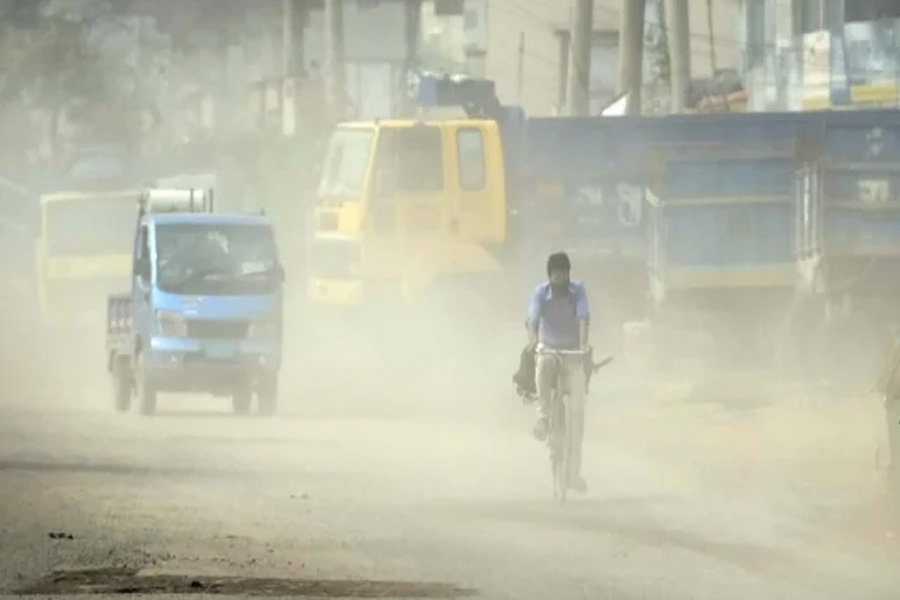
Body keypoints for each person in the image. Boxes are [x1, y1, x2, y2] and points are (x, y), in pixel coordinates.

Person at [526, 251, 591, 494]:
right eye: (554, 277)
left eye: (562, 276)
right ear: (549, 277)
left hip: (574, 353)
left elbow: (584, 317)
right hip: (549, 350)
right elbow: (532, 320)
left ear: (568, 275)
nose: (559, 281)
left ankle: (572, 474)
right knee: (543, 365)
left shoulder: (579, 291)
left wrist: (584, 346)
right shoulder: (539, 294)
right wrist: (533, 341)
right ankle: (543, 418)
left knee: (577, 415)